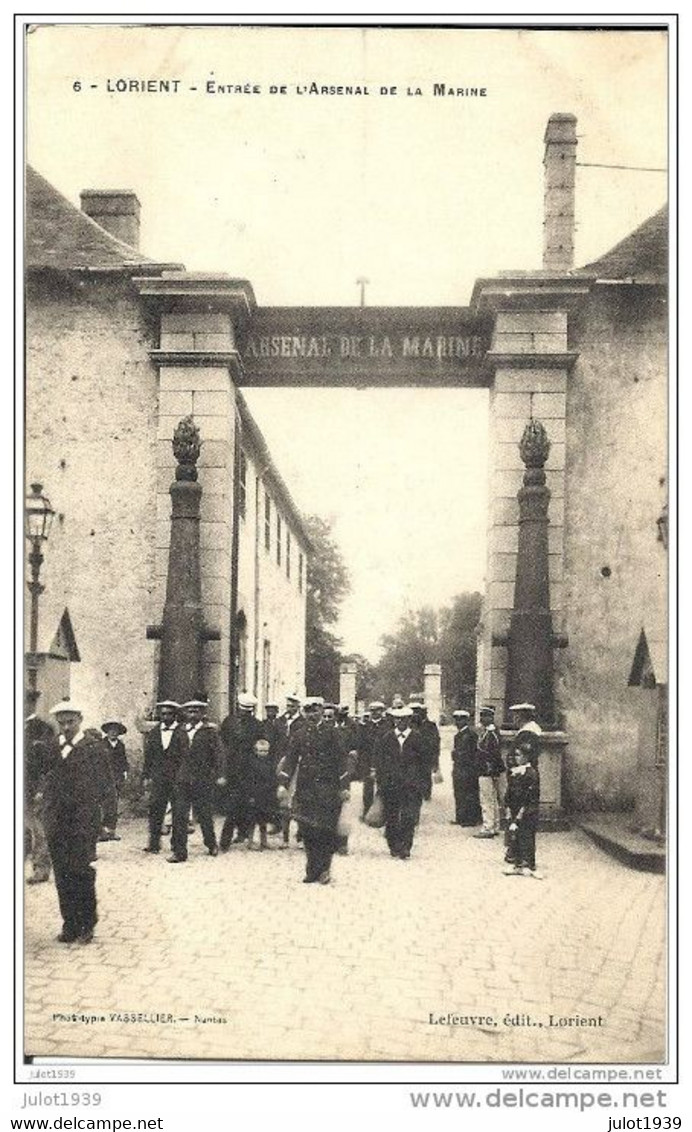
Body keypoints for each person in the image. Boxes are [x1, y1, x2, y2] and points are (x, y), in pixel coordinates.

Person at [43, 702, 102, 944]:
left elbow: (106, 786)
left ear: (80, 719)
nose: (66, 727)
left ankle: (87, 923)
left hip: (83, 821)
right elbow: (42, 778)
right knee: (62, 874)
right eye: (62, 722)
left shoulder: (93, 748)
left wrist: (106, 821)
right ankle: (69, 923)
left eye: (71, 722)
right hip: (57, 821)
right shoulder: (51, 748)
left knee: (81, 872)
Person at [277, 697, 350, 884]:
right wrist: (283, 784)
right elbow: (291, 760)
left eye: (315, 710)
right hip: (306, 789)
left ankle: (324, 869)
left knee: (326, 830)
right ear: (304, 712)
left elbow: (342, 761)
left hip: (329, 788)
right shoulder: (299, 735)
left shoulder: (333, 733)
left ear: (320, 711)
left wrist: (344, 787)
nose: (312, 714)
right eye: (308, 711)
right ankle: (312, 869)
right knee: (307, 829)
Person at [168, 698, 222, 863]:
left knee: (204, 813)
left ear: (202, 714)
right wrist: (174, 774)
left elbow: (219, 755)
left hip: (202, 779)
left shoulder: (209, 732)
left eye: (196, 711)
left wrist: (219, 775)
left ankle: (211, 843)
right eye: (190, 711)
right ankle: (179, 851)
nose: (192, 714)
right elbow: (172, 755)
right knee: (179, 815)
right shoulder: (180, 731)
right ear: (185, 713)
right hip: (183, 779)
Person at [373, 706, 428, 860]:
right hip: (391, 785)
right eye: (397, 719)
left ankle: (406, 846)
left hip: (412, 785)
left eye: (404, 719)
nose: (400, 722)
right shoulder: (387, 738)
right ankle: (393, 845)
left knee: (409, 817)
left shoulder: (417, 738)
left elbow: (424, 763)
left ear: (409, 720)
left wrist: (424, 785)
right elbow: (380, 763)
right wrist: (381, 783)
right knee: (391, 817)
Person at [218, 692, 265, 849]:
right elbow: (222, 744)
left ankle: (235, 836)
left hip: (248, 769)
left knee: (241, 803)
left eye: (247, 711)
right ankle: (231, 837)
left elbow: (260, 747)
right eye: (243, 710)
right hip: (233, 768)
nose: (244, 714)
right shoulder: (229, 722)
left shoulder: (255, 725)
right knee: (234, 803)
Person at [141, 700, 186, 853]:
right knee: (155, 810)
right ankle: (154, 844)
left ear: (175, 715)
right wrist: (146, 776)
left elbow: (186, 757)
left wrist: (184, 776)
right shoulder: (154, 733)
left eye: (169, 714)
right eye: (163, 714)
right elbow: (149, 756)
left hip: (177, 779)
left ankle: (177, 847)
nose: (166, 717)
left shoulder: (182, 732)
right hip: (159, 778)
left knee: (178, 814)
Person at [24, 695, 58, 884]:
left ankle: (41, 869)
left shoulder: (43, 729)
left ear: (31, 703)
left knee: (39, 831)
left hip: (34, 789)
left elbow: (50, 764)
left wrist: (42, 789)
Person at [503, 741, 542, 879]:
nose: (516, 758)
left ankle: (529, 864)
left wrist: (520, 814)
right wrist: (508, 808)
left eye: (519, 755)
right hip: (514, 808)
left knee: (526, 836)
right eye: (515, 755)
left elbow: (530, 796)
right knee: (514, 836)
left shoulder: (531, 773)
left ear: (527, 757)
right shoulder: (514, 772)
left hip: (527, 810)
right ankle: (516, 863)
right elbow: (509, 792)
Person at [474, 705, 505, 838]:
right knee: (493, 799)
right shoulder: (490, 732)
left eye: (485, 715)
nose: (482, 718)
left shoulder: (491, 733)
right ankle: (495, 825)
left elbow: (493, 753)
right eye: (481, 715)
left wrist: (489, 767)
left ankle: (488, 827)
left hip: (487, 770)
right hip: (490, 770)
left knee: (487, 799)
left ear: (491, 717)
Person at [357, 701, 388, 819]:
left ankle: (382, 814)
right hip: (367, 761)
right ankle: (366, 811)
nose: (375, 713)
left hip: (383, 761)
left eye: (378, 710)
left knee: (383, 787)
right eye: (372, 710)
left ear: (382, 711)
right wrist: (361, 763)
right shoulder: (365, 727)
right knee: (367, 789)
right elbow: (361, 745)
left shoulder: (387, 726)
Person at [99, 719, 129, 841]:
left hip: (116, 778)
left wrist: (125, 771)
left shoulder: (120, 745)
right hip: (103, 777)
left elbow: (123, 760)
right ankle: (101, 831)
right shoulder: (101, 744)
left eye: (115, 731)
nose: (113, 733)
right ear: (107, 732)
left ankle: (111, 831)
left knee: (113, 804)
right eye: (111, 731)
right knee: (102, 804)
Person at [450, 709, 481, 826]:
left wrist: (456, 754)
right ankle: (460, 817)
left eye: (461, 719)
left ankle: (470, 819)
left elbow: (468, 753)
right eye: (456, 720)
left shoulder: (470, 735)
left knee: (468, 793)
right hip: (459, 768)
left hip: (467, 769)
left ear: (466, 721)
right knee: (459, 793)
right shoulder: (458, 735)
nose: (458, 722)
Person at [245, 737, 276, 850]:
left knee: (263, 820)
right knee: (253, 820)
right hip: (255, 794)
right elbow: (249, 780)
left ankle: (264, 841)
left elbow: (273, 777)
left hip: (266, 794)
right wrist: (251, 795)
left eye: (266, 751)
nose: (263, 753)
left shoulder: (270, 762)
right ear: (256, 751)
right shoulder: (251, 763)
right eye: (261, 751)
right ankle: (250, 841)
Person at [410, 703, 441, 801]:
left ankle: (426, 793)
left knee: (425, 774)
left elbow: (435, 741)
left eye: (418, 712)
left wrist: (435, 757)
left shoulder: (431, 725)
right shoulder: (411, 725)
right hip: (414, 755)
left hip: (426, 755)